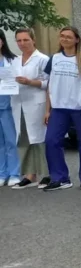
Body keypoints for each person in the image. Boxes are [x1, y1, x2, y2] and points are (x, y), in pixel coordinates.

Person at [42, 26, 81, 191]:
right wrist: (47, 110)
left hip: (80, 107)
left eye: (68, 36)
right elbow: (49, 86)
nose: (64, 39)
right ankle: (60, 178)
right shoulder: (54, 59)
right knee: (52, 141)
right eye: (62, 36)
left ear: (77, 39)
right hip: (59, 107)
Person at [10, 29, 50, 189]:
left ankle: (45, 174)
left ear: (33, 40)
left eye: (26, 40)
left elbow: (48, 83)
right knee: (24, 139)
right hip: (18, 104)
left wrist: (29, 82)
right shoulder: (15, 60)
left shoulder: (42, 59)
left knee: (39, 139)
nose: (22, 44)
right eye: (19, 41)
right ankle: (29, 174)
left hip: (36, 103)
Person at [0, 32, 21, 187]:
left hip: (8, 106)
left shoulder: (13, 60)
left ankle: (14, 173)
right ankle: (2, 173)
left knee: (11, 141)